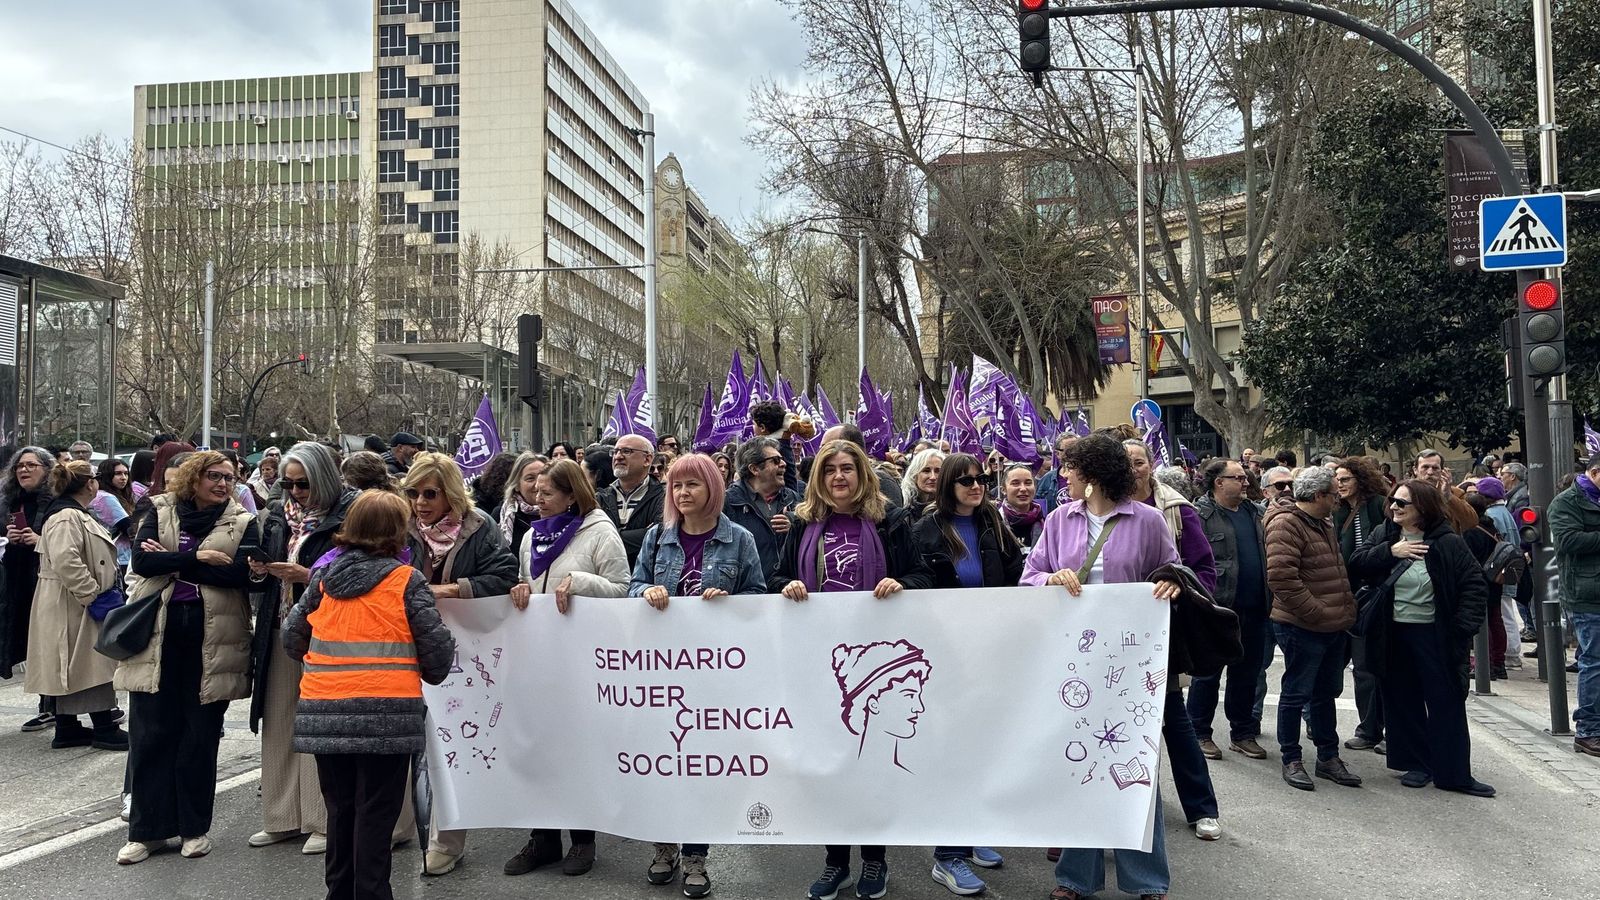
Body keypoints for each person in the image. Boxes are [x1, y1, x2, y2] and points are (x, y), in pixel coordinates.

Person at [1018, 433, 1181, 900]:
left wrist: (1170, 585)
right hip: (1072, 664)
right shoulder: (1057, 520)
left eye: (1069, 469)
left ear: (1091, 476)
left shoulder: (1148, 521)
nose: (1062, 476)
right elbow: (1028, 578)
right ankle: (1075, 878)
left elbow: (1172, 572)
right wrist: (1050, 578)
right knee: (1078, 767)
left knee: (1135, 768)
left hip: (1132, 666)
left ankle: (1147, 880)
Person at [768, 438, 931, 900]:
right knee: (829, 764)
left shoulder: (891, 521)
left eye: (847, 469)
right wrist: (790, 585)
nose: (839, 477)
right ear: (819, 477)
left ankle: (875, 860)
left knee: (869, 765)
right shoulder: (804, 524)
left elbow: (923, 577)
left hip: (874, 662)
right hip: (820, 664)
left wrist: (899, 582)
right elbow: (776, 577)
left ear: (862, 474)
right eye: (830, 470)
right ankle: (835, 860)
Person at [281, 490, 455, 900]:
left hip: (325, 712)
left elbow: (292, 639)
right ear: (397, 532)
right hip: (386, 716)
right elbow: (438, 656)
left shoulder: (323, 578)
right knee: (376, 816)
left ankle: (338, 893)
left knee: (340, 812)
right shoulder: (404, 580)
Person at [630, 454, 765, 898]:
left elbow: (759, 598)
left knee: (698, 768)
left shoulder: (739, 539)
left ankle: (696, 857)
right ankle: (663, 847)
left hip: (712, 677)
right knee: (663, 765)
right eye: (676, 486)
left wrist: (731, 600)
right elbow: (633, 587)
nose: (683, 493)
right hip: (660, 675)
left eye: (692, 484)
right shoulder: (656, 538)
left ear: (712, 487)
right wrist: (646, 591)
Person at [117, 451, 259, 865]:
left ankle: (194, 829)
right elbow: (142, 562)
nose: (223, 484)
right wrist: (195, 559)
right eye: (214, 476)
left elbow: (238, 575)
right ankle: (146, 832)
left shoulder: (243, 521)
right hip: (156, 633)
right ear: (193, 478)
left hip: (212, 637)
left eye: (230, 477)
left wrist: (171, 564)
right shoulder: (159, 510)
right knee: (149, 733)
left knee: (199, 735)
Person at [500, 459, 630, 878]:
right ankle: (543, 837)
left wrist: (580, 581)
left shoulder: (599, 532)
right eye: (534, 494)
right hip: (540, 659)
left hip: (584, 662)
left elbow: (622, 589)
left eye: (548, 495)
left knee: (578, 749)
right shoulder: (531, 538)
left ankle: (583, 839)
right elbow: (527, 583)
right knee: (540, 747)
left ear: (571, 495)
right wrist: (519, 589)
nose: (538, 501)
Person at [401, 452, 519, 877]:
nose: (419, 502)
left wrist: (454, 589)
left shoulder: (479, 527)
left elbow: (506, 575)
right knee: (411, 743)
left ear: (449, 491)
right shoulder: (401, 527)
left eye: (429, 493)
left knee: (453, 748)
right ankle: (404, 827)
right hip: (404, 646)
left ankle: (447, 839)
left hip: (462, 655)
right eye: (413, 492)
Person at [909, 452, 1019, 895]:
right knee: (949, 754)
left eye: (982, 478)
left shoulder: (995, 527)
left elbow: (1018, 580)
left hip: (989, 656)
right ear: (947, 484)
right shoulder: (922, 530)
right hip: (942, 660)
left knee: (981, 749)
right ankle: (947, 855)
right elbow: (915, 585)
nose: (976, 486)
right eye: (966, 480)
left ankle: (972, 835)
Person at [1348, 480, 1492, 796]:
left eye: (1403, 503)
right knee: (1401, 699)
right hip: (1392, 633)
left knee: (1447, 701)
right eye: (1393, 501)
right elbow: (1356, 564)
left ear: (1423, 508)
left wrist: (1460, 628)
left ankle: (1453, 773)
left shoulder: (1447, 541)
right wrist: (1390, 552)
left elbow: (1474, 585)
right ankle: (1416, 764)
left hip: (1435, 634)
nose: (1395, 507)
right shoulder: (1384, 534)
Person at [247, 443, 356, 853]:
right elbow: (261, 575)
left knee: (318, 720)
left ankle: (321, 818)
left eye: (303, 483)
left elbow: (358, 573)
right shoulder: (278, 516)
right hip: (281, 623)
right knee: (279, 718)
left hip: (327, 627)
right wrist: (259, 572)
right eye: (288, 483)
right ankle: (281, 815)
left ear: (323, 478)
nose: (294, 491)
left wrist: (306, 574)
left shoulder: (350, 513)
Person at [1124, 440, 1220, 842]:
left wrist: (1177, 590)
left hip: (1161, 632)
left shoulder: (1176, 510)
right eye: (1125, 463)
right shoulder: (1098, 511)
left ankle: (1202, 808)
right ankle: (1127, 803)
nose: (1133, 469)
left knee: (1173, 720)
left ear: (1152, 466)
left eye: (1140, 461)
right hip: (1109, 638)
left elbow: (1202, 570)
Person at [1264, 466, 1360, 792]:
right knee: (1295, 694)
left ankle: (1328, 757)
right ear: (1319, 496)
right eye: (1334, 494)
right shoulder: (1286, 524)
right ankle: (1291, 758)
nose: (1337, 499)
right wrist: (1316, 612)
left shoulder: (1323, 522)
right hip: (1302, 625)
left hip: (1330, 625)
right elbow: (1281, 578)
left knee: (1324, 694)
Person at [27, 459, 127, 750]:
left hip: (72, 600)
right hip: (72, 602)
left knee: (76, 665)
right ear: (90, 484)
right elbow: (65, 559)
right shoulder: (66, 517)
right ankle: (103, 727)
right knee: (87, 664)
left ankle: (68, 727)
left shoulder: (72, 514)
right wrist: (91, 594)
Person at [1188, 458, 1272, 764]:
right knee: (1207, 674)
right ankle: (1199, 733)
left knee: (1248, 673)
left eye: (1245, 477)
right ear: (1218, 482)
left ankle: (1242, 733)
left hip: (1256, 608)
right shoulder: (1199, 516)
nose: (1246, 481)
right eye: (1237, 477)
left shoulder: (1256, 513)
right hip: (1217, 610)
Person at [1332, 455, 1391, 755]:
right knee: (1345, 666)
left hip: (1374, 594)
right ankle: (1364, 728)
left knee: (1369, 667)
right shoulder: (1338, 510)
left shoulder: (1379, 505)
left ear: (1360, 480)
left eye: (1345, 479)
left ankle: (1374, 730)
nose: (1339, 484)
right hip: (1346, 595)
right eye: (1337, 480)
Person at [1550, 452, 1600, 757]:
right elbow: (1567, 541)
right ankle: (1589, 730)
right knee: (1594, 661)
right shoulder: (1567, 502)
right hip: (1586, 594)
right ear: (1595, 472)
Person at [2, 448, 56, 725]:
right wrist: (8, 537)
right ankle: (47, 703)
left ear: (47, 470)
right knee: (28, 640)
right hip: (19, 578)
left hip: (48, 579)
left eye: (31, 465)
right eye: (19, 466)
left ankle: (53, 705)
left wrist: (40, 540)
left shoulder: (59, 502)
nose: (23, 471)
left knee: (49, 641)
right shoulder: (11, 502)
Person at [723, 436, 800, 578]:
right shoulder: (728, 503)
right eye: (776, 460)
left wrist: (796, 526)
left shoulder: (794, 499)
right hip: (747, 594)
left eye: (782, 459)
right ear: (754, 469)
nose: (783, 464)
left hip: (788, 593)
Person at [1473, 476, 1524, 672]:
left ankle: (1507, 655)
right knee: (1503, 612)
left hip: (1493, 572)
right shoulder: (1506, 513)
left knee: (1500, 614)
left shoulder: (1492, 516)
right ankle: (1505, 656)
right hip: (1505, 570)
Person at [596, 434, 666, 568]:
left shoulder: (664, 497)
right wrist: (641, 534)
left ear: (647, 459)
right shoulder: (600, 497)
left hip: (648, 580)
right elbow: (591, 538)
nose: (618, 456)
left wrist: (609, 536)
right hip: (607, 576)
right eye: (615, 452)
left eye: (626, 451)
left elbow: (660, 536)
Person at [91, 455, 136, 575]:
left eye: (126, 473)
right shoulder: (105, 497)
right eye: (118, 474)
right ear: (107, 475)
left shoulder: (118, 496)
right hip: (118, 558)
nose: (123, 478)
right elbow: (128, 527)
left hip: (123, 556)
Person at [496, 452, 549, 552]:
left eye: (542, 476)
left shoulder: (562, 512)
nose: (537, 484)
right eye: (530, 478)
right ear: (516, 485)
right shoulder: (500, 515)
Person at [998, 462, 1045, 551]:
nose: (1023, 489)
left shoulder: (1047, 524)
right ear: (1003, 490)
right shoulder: (994, 524)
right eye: (1015, 483)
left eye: (1028, 483)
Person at [898, 447, 945, 522]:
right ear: (914, 475)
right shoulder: (901, 506)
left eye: (938, 471)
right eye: (926, 471)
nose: (933, 477)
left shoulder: (952, 510)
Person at [1035, 433, 1078, 515]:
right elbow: (1039, 508)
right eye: (1069, 450)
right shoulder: (1047, 479)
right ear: (1057, 454)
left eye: (1077, 449)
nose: (1074, 453)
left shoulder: (1087, 478)